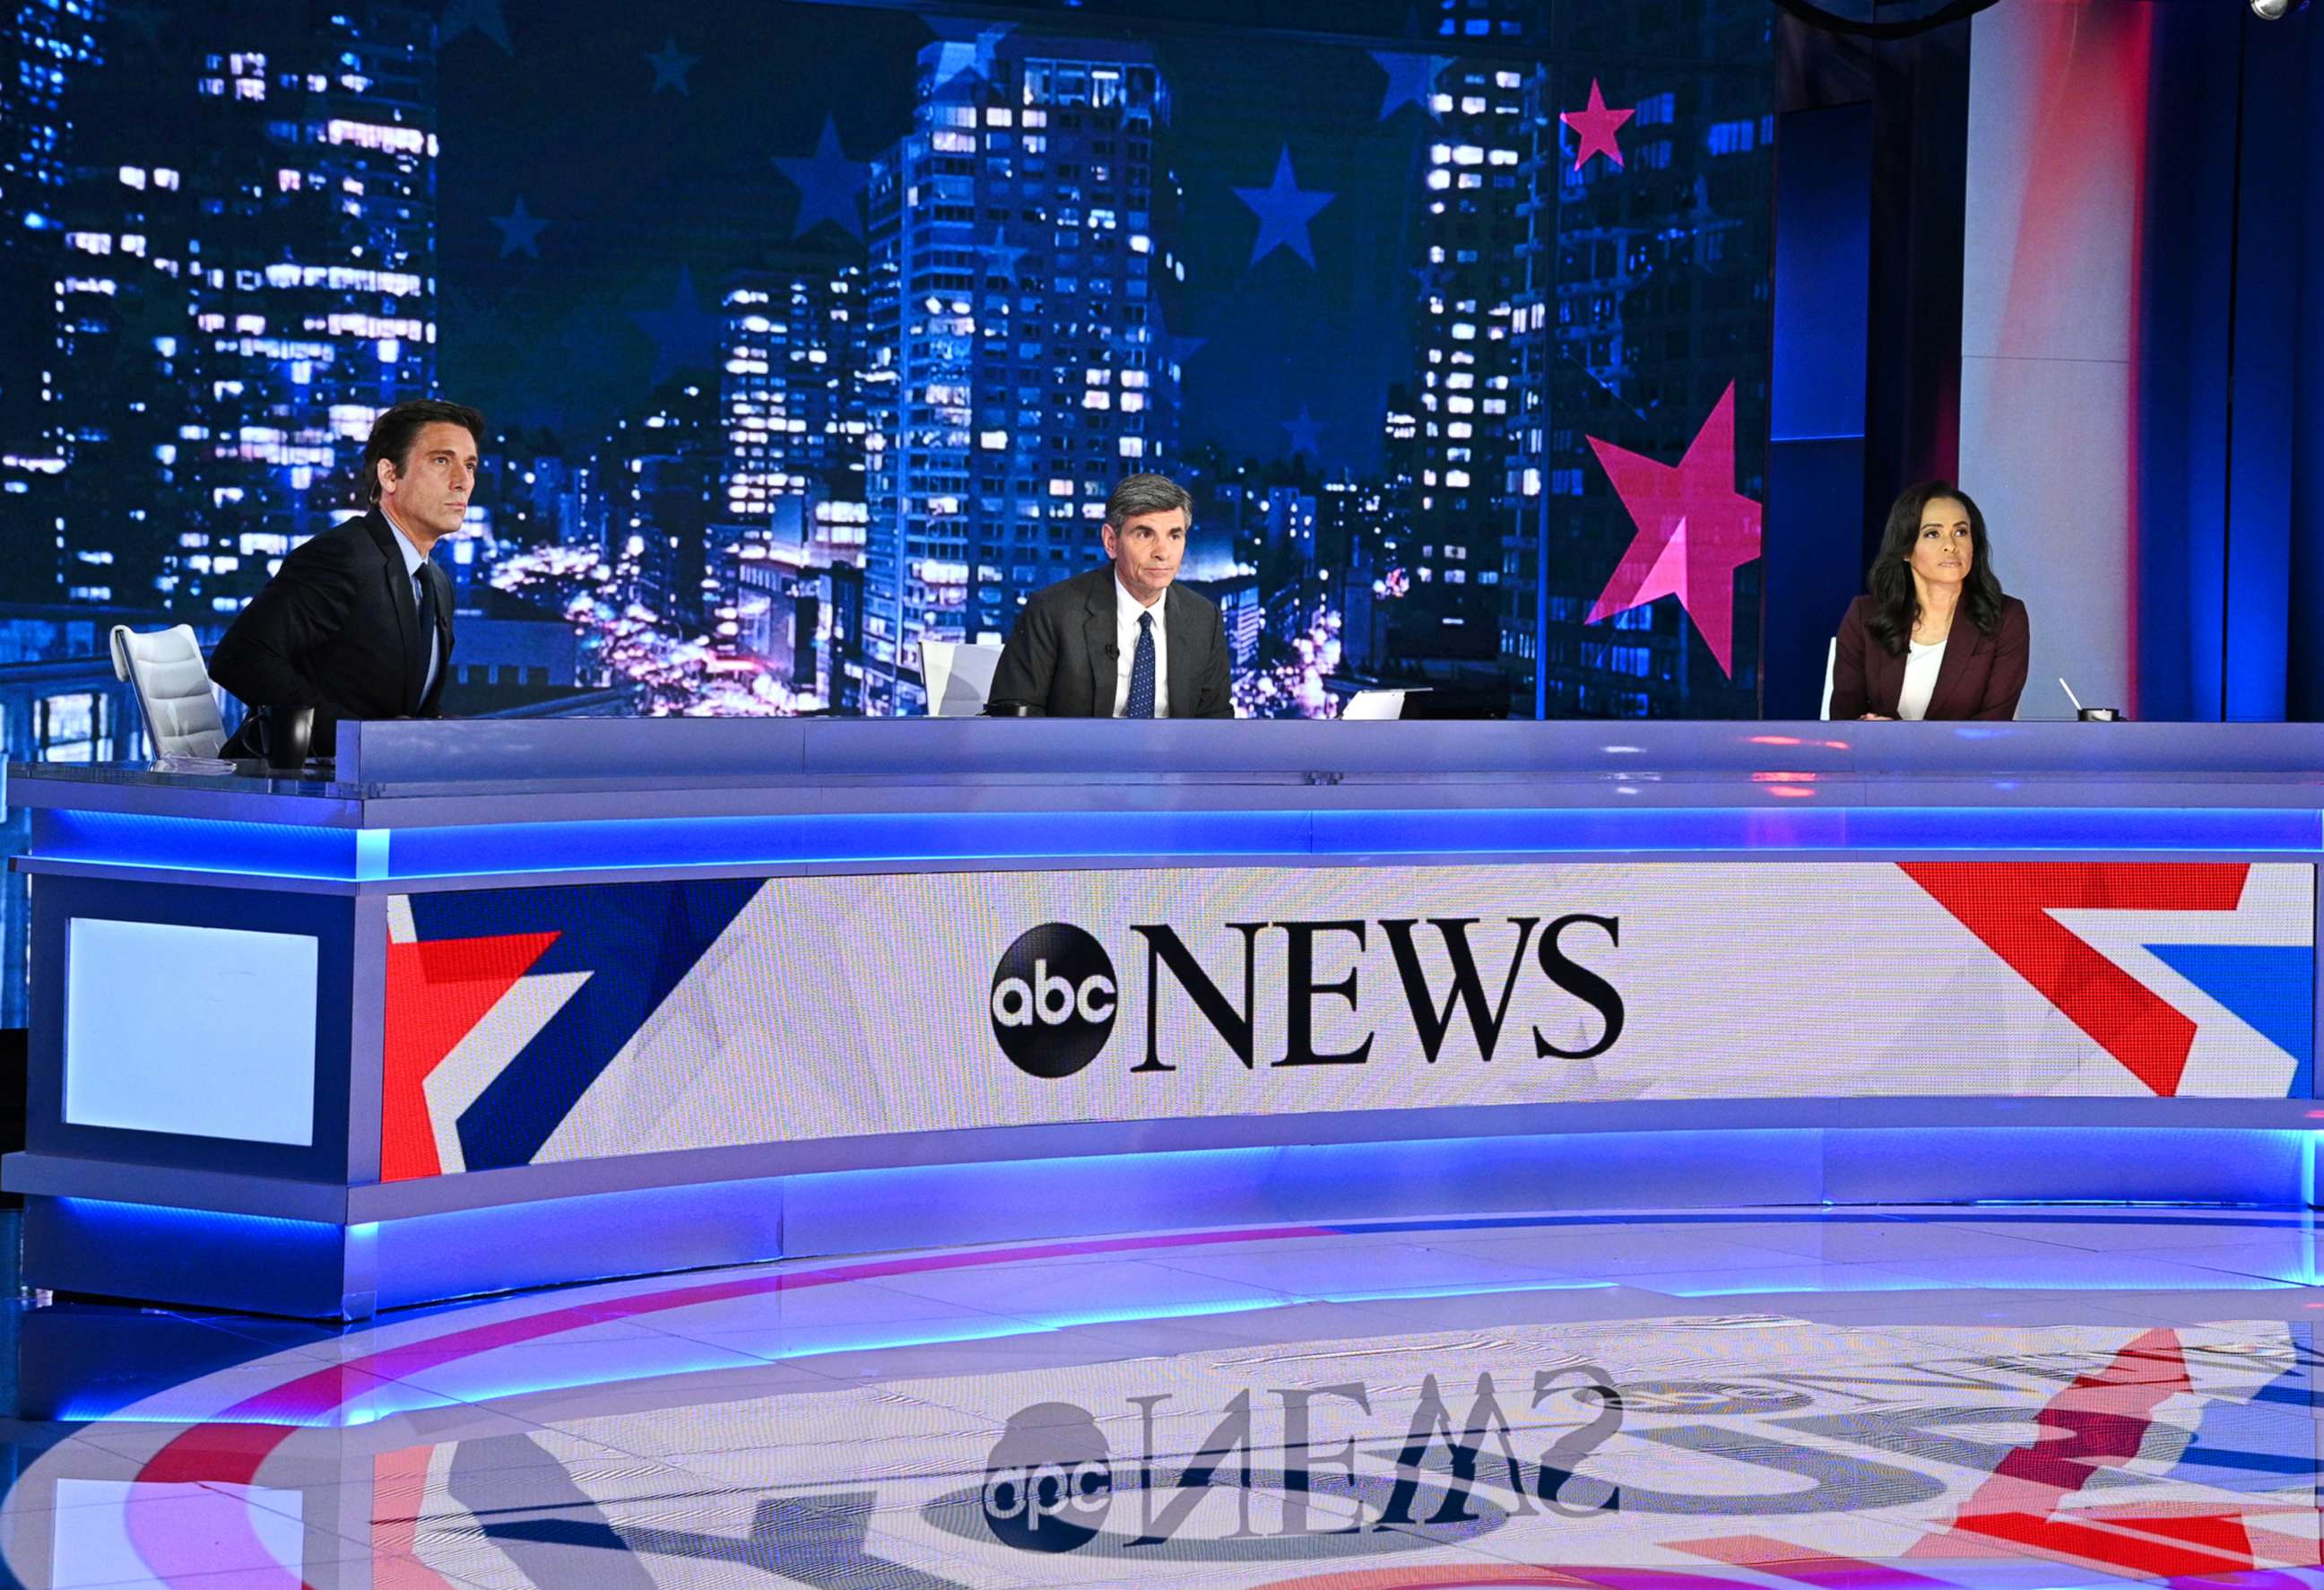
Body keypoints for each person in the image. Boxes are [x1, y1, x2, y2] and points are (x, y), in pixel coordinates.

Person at [212, 399, 478, 757]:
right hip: (293, 790)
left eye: (471, 466)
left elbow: (405, 713)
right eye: (442, 461)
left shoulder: (437, 584)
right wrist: (358, 739)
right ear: (389, 475)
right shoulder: (342, 556)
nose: (462, 482)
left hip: (379, 789)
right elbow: (241, 658)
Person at [984, 473, 1235, 718]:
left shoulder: (1204, 619)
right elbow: (1014, 711)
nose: (1163, 552)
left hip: (1171, 759)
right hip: (1077, 757)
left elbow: (1216, 724)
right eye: (1145, 534)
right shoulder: (1052, 612)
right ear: (1111, 542)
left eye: (1174, 535)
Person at [1828, 480, 2028, 722]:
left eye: (1960, 532)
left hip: (1969, 760)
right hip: (1879, 760)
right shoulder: (1864, 616)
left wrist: (1899, 738)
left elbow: (1994, 725)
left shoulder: (2006, 617)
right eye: (1933, 534)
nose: (1951, 546)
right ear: (1905, 549)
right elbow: (1844, 719)